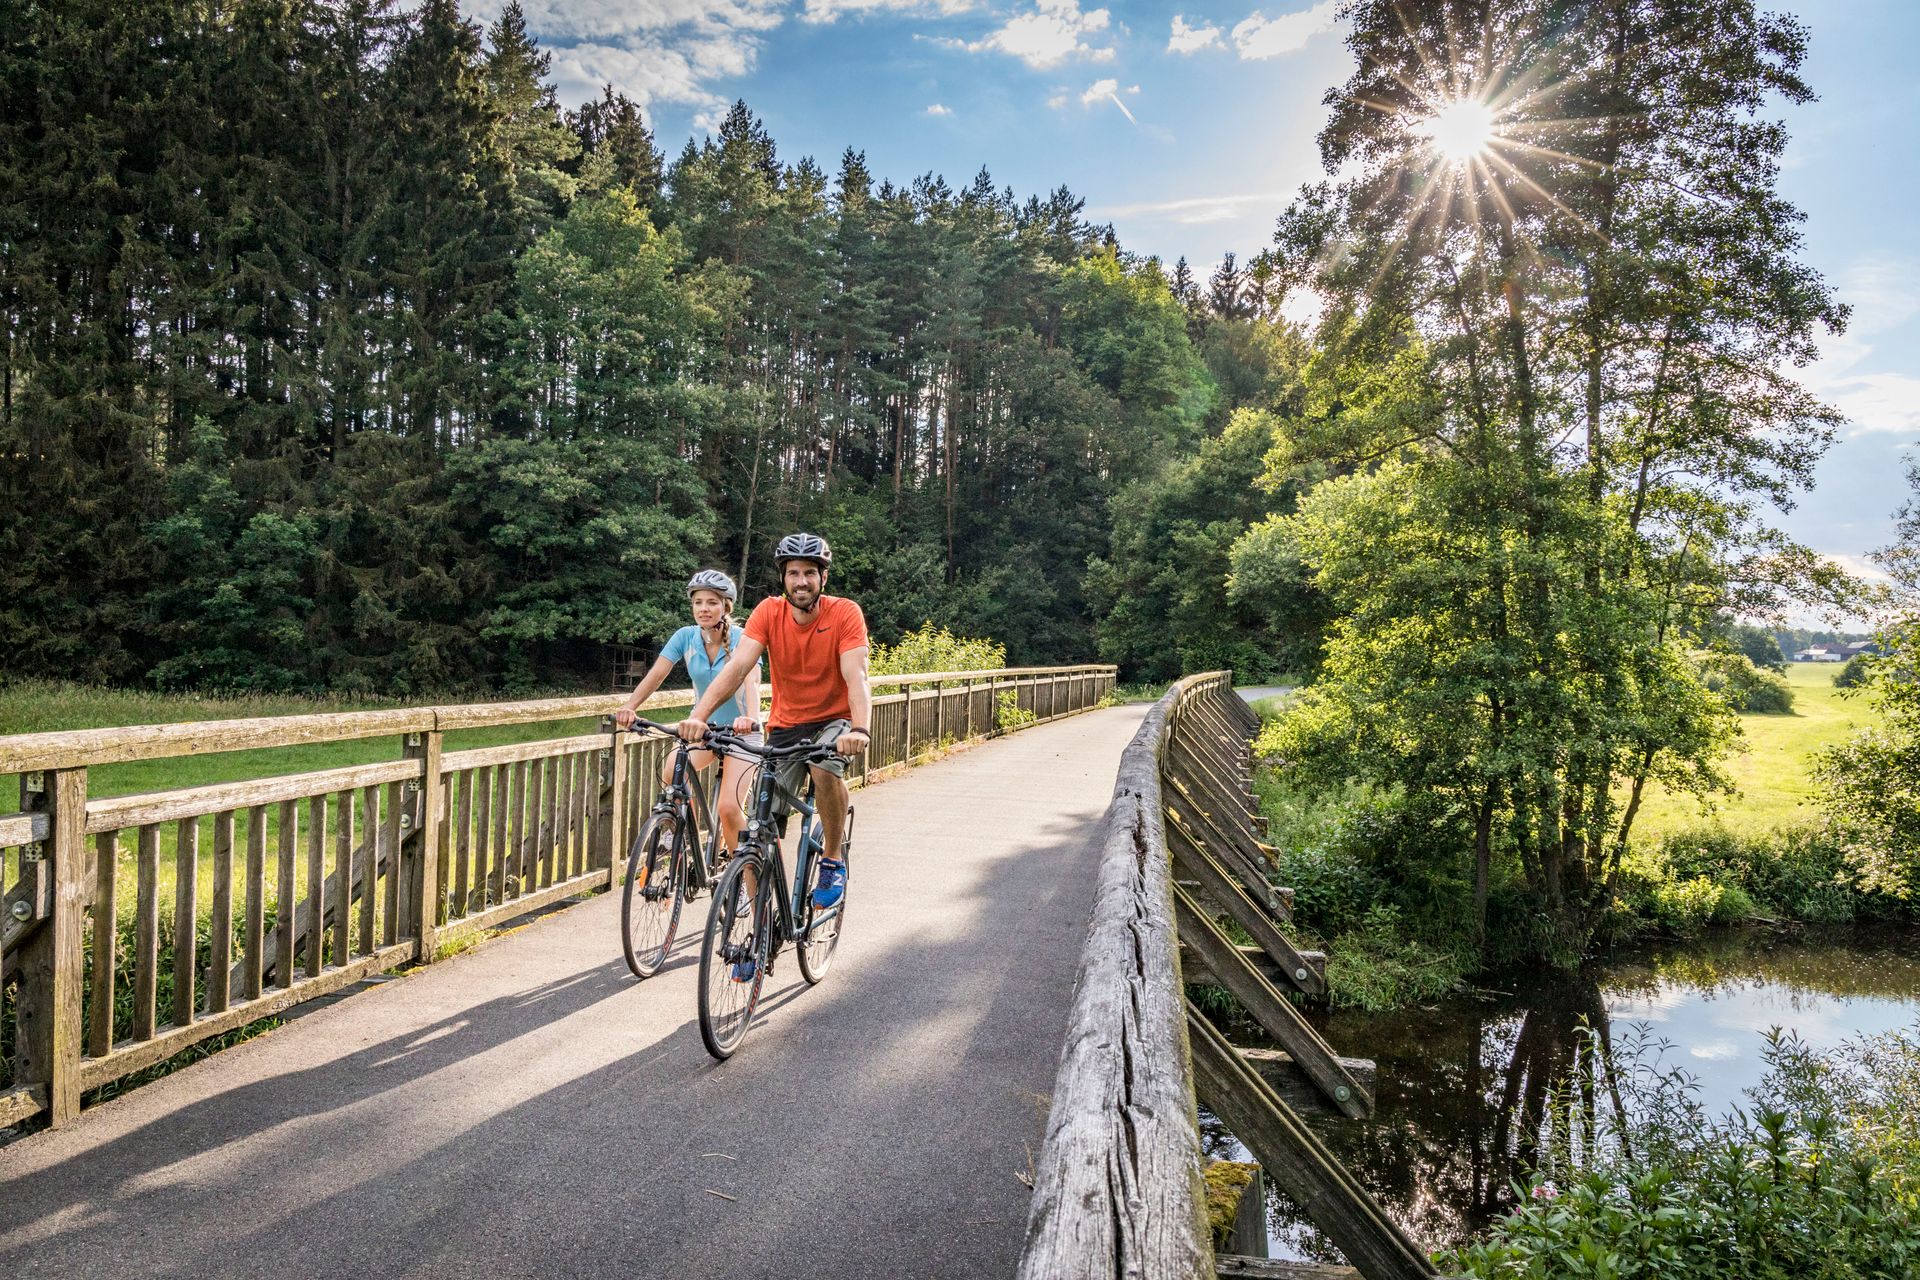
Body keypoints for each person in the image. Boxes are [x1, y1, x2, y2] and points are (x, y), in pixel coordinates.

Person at [678, 533, 870, 922]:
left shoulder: (845, 613)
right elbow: (737, 667)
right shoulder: (769, 612)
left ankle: (832, 859)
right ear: (783, 577)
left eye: (810, 573)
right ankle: (764, 922)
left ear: (823, 578)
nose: (801, 581)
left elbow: (857, 676)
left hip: (834, 720)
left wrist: (860, 729)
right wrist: (699, 714)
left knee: (824, 767)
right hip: (786, 724)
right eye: (793, 573)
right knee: (762, 822)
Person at [614, 570, 763, 857]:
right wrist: (630, 706)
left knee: (729, 809)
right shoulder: (685, 637)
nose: (704, 609)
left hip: (742, 733)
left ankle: (742, 873)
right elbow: (656, 675)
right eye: (698, 602)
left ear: (726, 606)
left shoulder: (744, 638)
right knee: (672, 769)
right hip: (703, 729)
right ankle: (683, 833)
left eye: (712, 602)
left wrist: (752, 717)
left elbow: (751, 681)